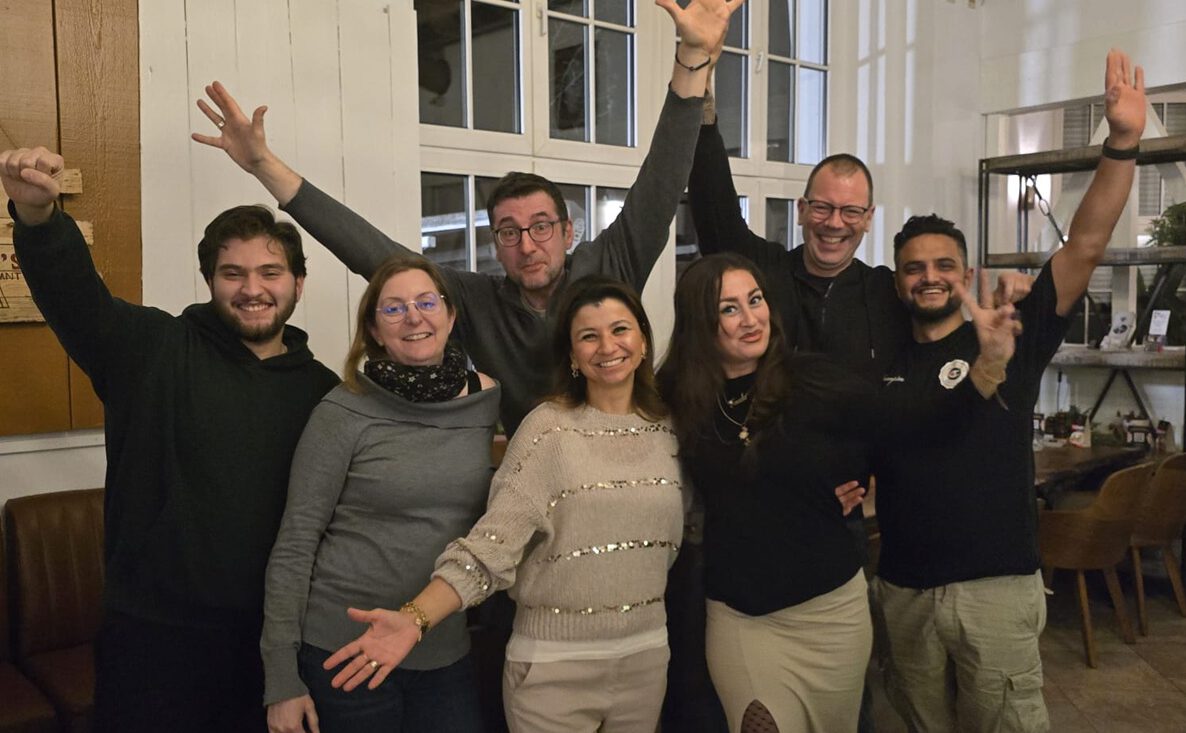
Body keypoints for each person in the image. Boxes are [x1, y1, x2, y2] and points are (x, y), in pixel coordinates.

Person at [192, 0, 743, 437]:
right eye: (509, 232)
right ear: (495, 244)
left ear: (568, 232)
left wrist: (691, 61)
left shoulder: (608, 267)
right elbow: (367, 250)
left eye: (541, 227)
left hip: (627, 455)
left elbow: (662, 179)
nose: (527, 245)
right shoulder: (472, 300)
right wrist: (264, 165)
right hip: (528, 475)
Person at [1, 146, 340, 732]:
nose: (252, 288)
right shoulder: (152, 350)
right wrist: (36, 217)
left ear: (299, 283)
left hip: (274, 644)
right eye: (232, 273)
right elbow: (74, 295)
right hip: (153, 643)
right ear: (210, 280)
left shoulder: (324, 392)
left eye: (270, 273)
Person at [869, 49, 1145, 733]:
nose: (928, 277)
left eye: (943, 265)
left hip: (996, 589)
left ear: (967, 271)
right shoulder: (880, 352)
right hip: (903, 588)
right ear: (897, 279)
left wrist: (1123, 143)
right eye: (913, 268)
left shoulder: (1011, 331)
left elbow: (1085, 243)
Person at [320, 276, 685, 733]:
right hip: (554, 670)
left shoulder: (669, 429)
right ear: (572, 355)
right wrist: (415, 619)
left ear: (644, 341)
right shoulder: (547, 431)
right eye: (588, 336)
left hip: (646, 659)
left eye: (620, 330)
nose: (607, 346)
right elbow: (491, 547)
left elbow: (671, 544)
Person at [261, 256, 499, 733]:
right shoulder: (343, 410)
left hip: (443, 646)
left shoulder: (486, 399)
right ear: (373, 329)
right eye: (393, 309)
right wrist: (282, 680)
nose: (414, 317)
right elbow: (296, 542)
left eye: (427, 302)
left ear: (451, 317)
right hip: (345, 649)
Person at [656, 253, 874, 732]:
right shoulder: (675, 392)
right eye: (729, 308)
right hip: (741, 616)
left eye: (755, 300)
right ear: (701, 322)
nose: (751, 318)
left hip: (830, 611)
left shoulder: (810, 379)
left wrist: (868, 479)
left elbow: (894, 420)